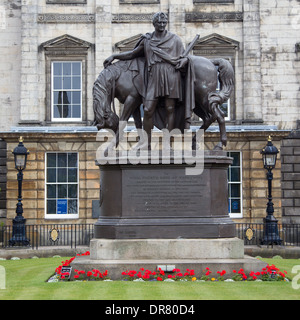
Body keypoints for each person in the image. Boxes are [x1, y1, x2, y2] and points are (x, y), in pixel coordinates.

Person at [103, 12, 190, 149]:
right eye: (159, 22)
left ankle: (167, 143)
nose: (161, 25)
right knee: (148, 109)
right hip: (154, 75)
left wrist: (183, 61)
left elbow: (185, 57)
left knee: (170, 109)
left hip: (171, 75)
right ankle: (145, 142)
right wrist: (114, 56)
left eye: (164, 22)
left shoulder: (175, 39)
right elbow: (132, 54)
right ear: (154, 24)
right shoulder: (148, 40)